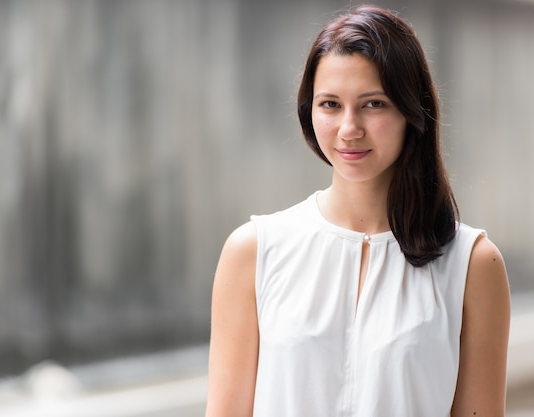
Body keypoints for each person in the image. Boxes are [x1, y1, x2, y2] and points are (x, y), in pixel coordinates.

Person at [205, 5, 510, 417]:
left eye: (373, 104)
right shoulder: (254, 252)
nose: (349, 128)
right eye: (330, 104)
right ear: (308, 110)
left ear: (410, 110)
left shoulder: (472, 265)